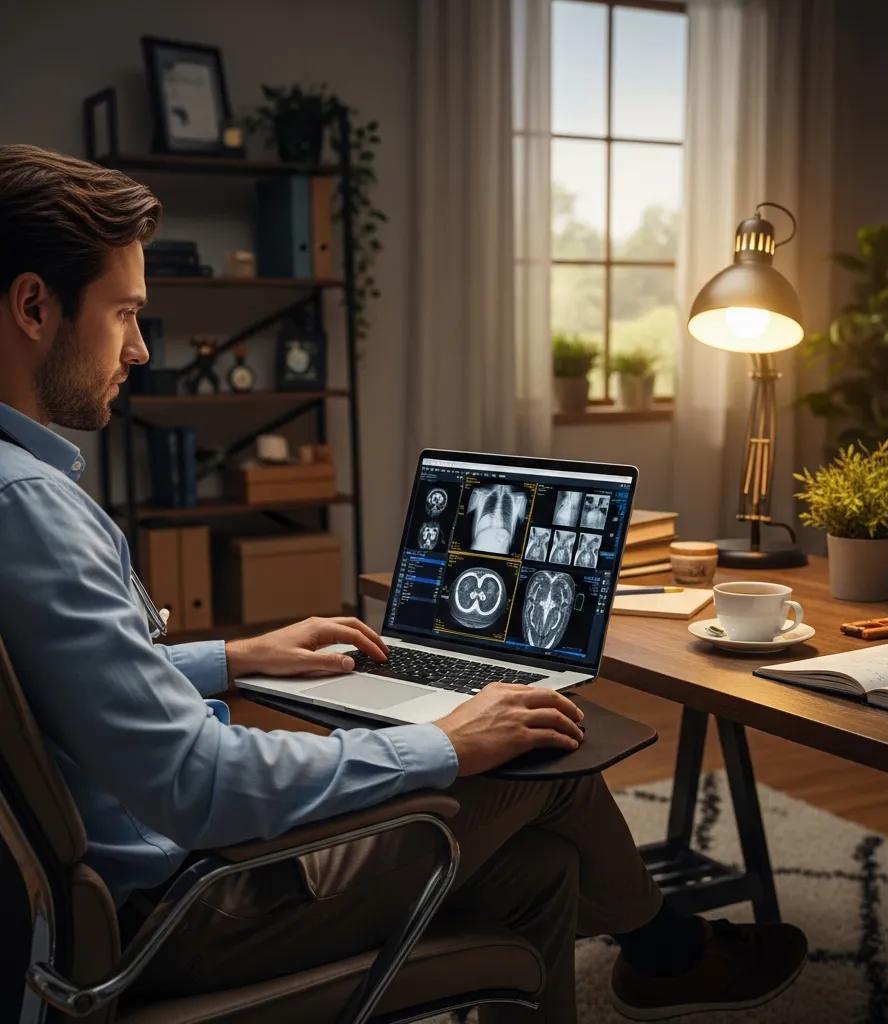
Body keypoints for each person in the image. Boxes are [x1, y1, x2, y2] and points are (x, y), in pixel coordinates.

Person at [0, 145, 806, 1021]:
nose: (140, 348)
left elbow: (75, 683)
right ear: (35, 306)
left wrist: (234, 657)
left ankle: (663, 954)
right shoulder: (30, 505)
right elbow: (201, 783)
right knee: (542, 753)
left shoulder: (16, 493)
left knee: (542, 870)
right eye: (124, 313)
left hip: (140, 888)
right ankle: (668, 955)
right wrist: (446, 743)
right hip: (191, 911)